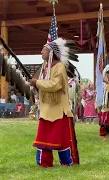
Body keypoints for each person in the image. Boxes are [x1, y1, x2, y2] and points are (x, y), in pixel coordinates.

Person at [29, 38, 79, 168]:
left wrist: (37, 83)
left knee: (62, 139)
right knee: (44, 136)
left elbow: (55, 85)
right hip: (47, 110)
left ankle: (67, 161)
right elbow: (45, 85)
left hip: (58, 110)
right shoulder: (46, 67)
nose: (41, 52)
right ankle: (44, 162)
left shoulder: (60, 67)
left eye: (44, 50)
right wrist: (35, 84)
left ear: (51, 53)